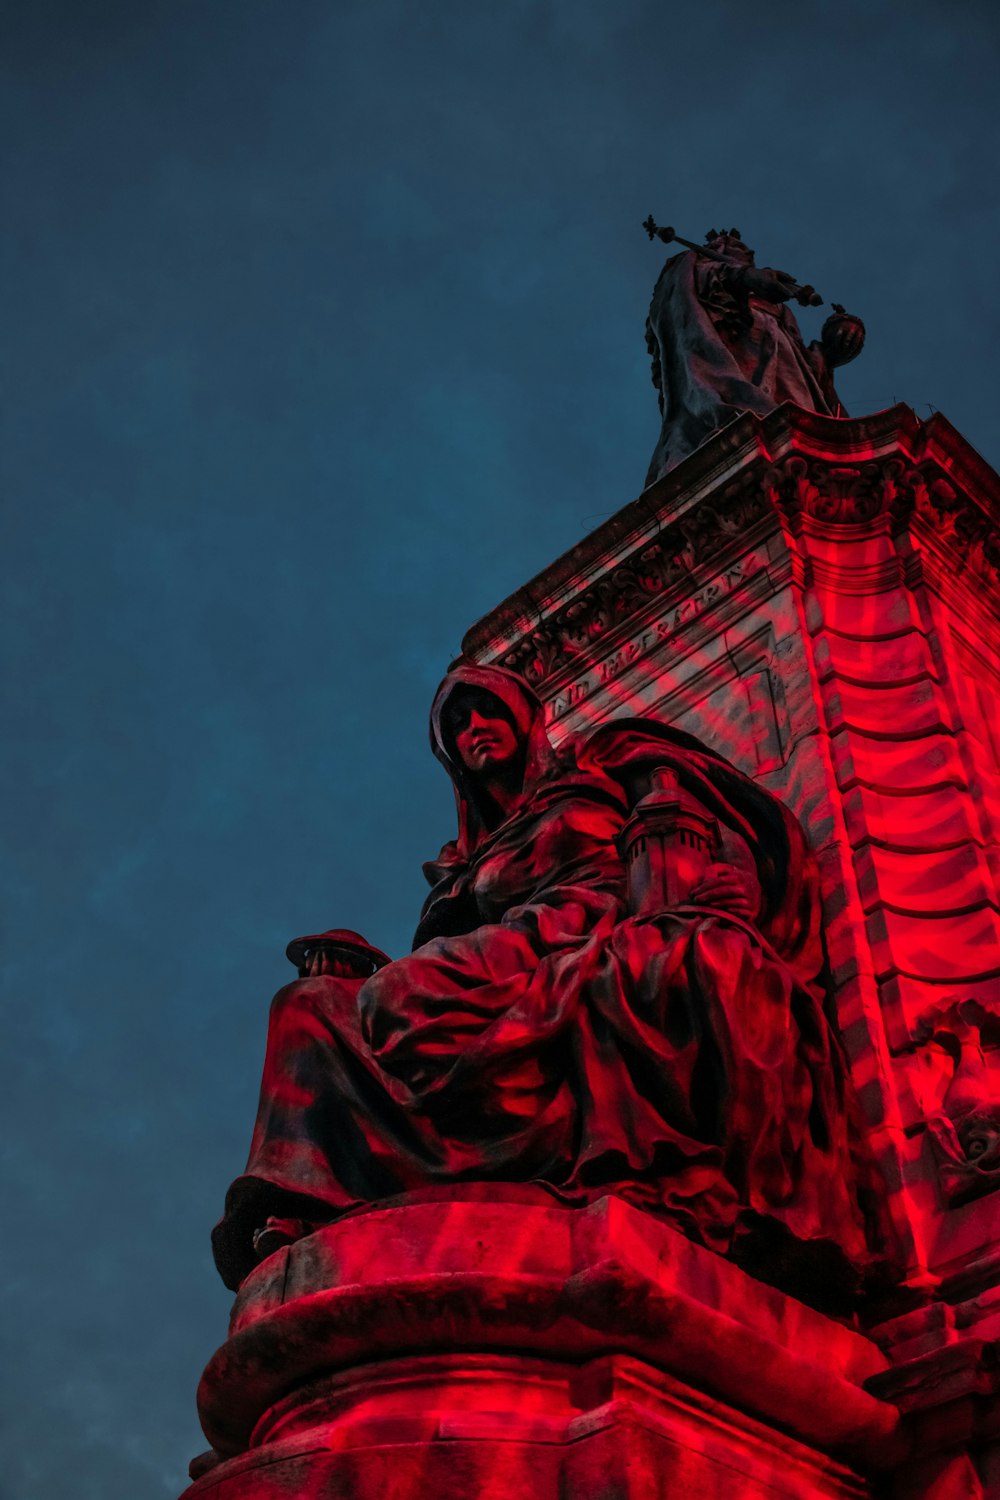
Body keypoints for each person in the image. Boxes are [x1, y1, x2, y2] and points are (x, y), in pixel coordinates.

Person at [212, 663, 881, 1303]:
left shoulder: (603, 763)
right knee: (308, 1006)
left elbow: (714, 827)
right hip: (519, 947)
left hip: (594, 919)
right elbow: (442, 939)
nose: (475, 727)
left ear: (526, 718)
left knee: (399, 997)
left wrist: (715, 887)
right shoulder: (468, 859)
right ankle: (298, 1206)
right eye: (459, 725)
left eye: (487, 711)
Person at [644, 228, 862, 485]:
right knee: (764, 423)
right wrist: (747, 278)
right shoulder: (692, 267)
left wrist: (834, 348)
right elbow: (699, 289)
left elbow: (806, 364)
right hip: (735, 347)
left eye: (744, 251)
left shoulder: (775, 302)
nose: (742, 252)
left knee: (802, 428)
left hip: (783, 364)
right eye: (731, 246)